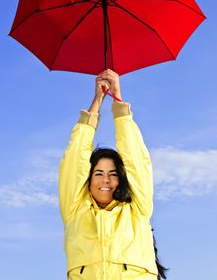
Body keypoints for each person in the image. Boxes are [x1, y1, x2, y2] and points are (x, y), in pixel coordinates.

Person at [59, 69, 167, 279]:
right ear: (88, 179)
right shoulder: (75, 211)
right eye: (98, 173)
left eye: (113, 173)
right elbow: (74, 159)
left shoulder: (138, 208)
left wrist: (117, 99)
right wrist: (97, 101)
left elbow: (135, 160)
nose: (106, 179)